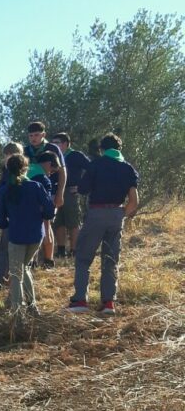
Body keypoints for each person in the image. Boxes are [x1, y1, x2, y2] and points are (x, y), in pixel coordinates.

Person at [67, 133, 139, 315]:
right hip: (117, 213)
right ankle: (108, 303)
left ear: (102, 149)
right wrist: (122, 214)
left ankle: (80, 300)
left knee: (83, 258)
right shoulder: (128, 168)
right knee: (110, 260)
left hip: (97, 213)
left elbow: (83, 189)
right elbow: (134, 200)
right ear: (119, 149)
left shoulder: (96, 164)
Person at [0, 155, 55, 317]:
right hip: (36, 236)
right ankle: (32, 306)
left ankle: (17, 311)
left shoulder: (5, 190)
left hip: (16, 236)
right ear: (26, 168)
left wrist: (10, 223)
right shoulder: (36, 186)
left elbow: (0, 220)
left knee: (16, 274)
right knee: (25, 267)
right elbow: (50, 211)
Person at [0, 142, 26, 292]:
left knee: (6, 250)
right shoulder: (25, 171)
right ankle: (9, 281)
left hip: (12, 218)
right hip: (24, 219)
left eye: (6, 155)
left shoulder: (11, 173)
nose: (5, 158)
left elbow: (2, 194)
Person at [52, 132, 91, 259]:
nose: (54, 145)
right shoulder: (54, 157)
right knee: (58, 222)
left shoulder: (75, 155)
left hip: (70, 193)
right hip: (56, 192)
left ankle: (74, 251)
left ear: (65, 144)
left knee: (73, 222)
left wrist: (80, 185)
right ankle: (61, 250)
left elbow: (91, 169)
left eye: (56, 143)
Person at [34, 151, 63, 269]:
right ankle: (48, 261)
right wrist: (49, 214)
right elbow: (45, 204)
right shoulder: (43, 179)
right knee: (45, 231)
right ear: (49, 164)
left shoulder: (26, 169)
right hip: (37, 213)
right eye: (52, 170)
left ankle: (33, 262)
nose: (51, 174)